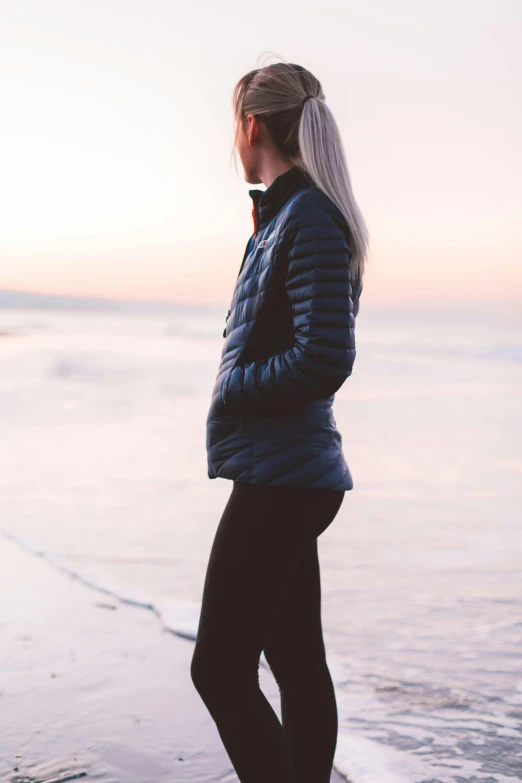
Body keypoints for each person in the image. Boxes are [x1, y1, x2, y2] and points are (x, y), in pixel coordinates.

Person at [191, 57, 369, 783]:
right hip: (285, 471)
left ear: (252, 124)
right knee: (296, 661)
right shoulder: (282, 216)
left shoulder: (310, 219)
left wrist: (235, 386)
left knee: (219, 671)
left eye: (233, 125)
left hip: (284, 479)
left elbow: (323, 357)